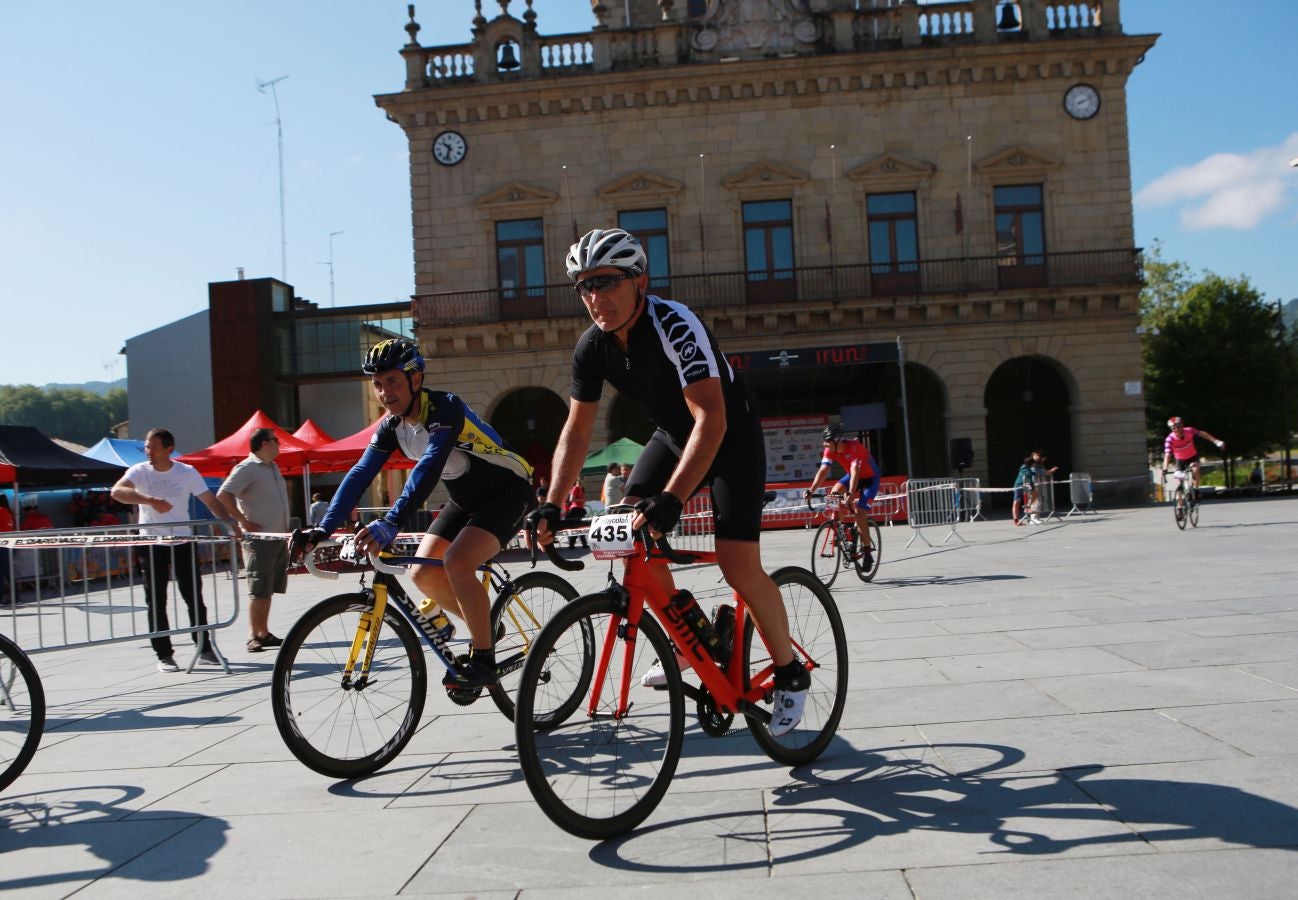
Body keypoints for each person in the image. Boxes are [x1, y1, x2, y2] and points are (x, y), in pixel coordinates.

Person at [529, 227, 808, 736]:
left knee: (737, 564)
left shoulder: (676, 324)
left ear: (640, 280)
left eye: (608, 283)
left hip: (729, 433)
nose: (596, 297)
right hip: (674, 435)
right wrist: (551, 502)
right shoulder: (592, 347)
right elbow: (576, 428)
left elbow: (712, 421)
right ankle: (697, 637)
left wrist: (673, 499)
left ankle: (789, 672)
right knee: (628, 533)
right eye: (585, 286)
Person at [291, 338, 535, 691]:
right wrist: (322, 528)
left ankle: (484, 657)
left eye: (391, 381)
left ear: (415, 380)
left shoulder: (444, 408)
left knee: (457, 562)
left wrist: (392, 521)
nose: (383, 392)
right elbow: (360, 473)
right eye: (376, 384)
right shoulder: (392, 427)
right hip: (466, 500)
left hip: (509, 493)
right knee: (422, 573)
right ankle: (486, 626)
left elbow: (430, 467)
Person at [111, 427, 241, 673]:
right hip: (152, 543)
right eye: (147, 447)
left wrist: (230, 525)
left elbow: (211, 501)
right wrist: (150, 500)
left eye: (154, 447)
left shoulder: (186, 472)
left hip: (182, 541)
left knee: (193, 596)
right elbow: (117, 491)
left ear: (169, 449)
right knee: (156, 600)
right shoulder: (139, 471)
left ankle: (204, 648)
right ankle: (164, 654)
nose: (149, 452)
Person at [218, 428, 291, 653]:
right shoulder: (248, 467)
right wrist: (242, 521)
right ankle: (253, 635)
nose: (278, 444)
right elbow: (224, 493)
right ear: (262, 444)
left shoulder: (272, 467)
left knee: (268, 588)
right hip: (259, 539)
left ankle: (263, 632)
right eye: (275, 440)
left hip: (276, 537)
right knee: (259, 588)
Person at [803, 424, 881, 565]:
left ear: (837, 440)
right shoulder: (830, 449)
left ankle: (867, 551)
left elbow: (855, 473)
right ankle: (842, 527)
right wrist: (811, 490)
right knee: (833, 494)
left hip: (870, 479)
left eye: (827, 440)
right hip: (851, 476)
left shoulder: (854, 447)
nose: (824, 444)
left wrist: (851, 494)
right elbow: (823, 471)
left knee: (860, 512)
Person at [1161, 416, 1225, 494]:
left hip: (1192, 456)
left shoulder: (1189, 431)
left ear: (1182, 425)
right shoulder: (1169, 439)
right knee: (1180, 482)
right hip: (1180, 460)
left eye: (1178, 426)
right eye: (1173, 428)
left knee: (1195, 470)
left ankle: (1196, 490)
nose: (1177, 429)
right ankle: (1180, 505)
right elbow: (1167, 455)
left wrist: (1216, 441)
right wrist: (1165, 468)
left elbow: (1202, 434)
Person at [563, 476, 588, 548]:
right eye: (581, 480)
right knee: (578, 526)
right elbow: (572, 499)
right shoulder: (575, 488)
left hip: (579, 509)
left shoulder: (581, 489)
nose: (582, 482)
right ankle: (575, 544)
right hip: (575, 510)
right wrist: (582, 500)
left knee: (580, 526)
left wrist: (582, 500)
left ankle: (577, 544)